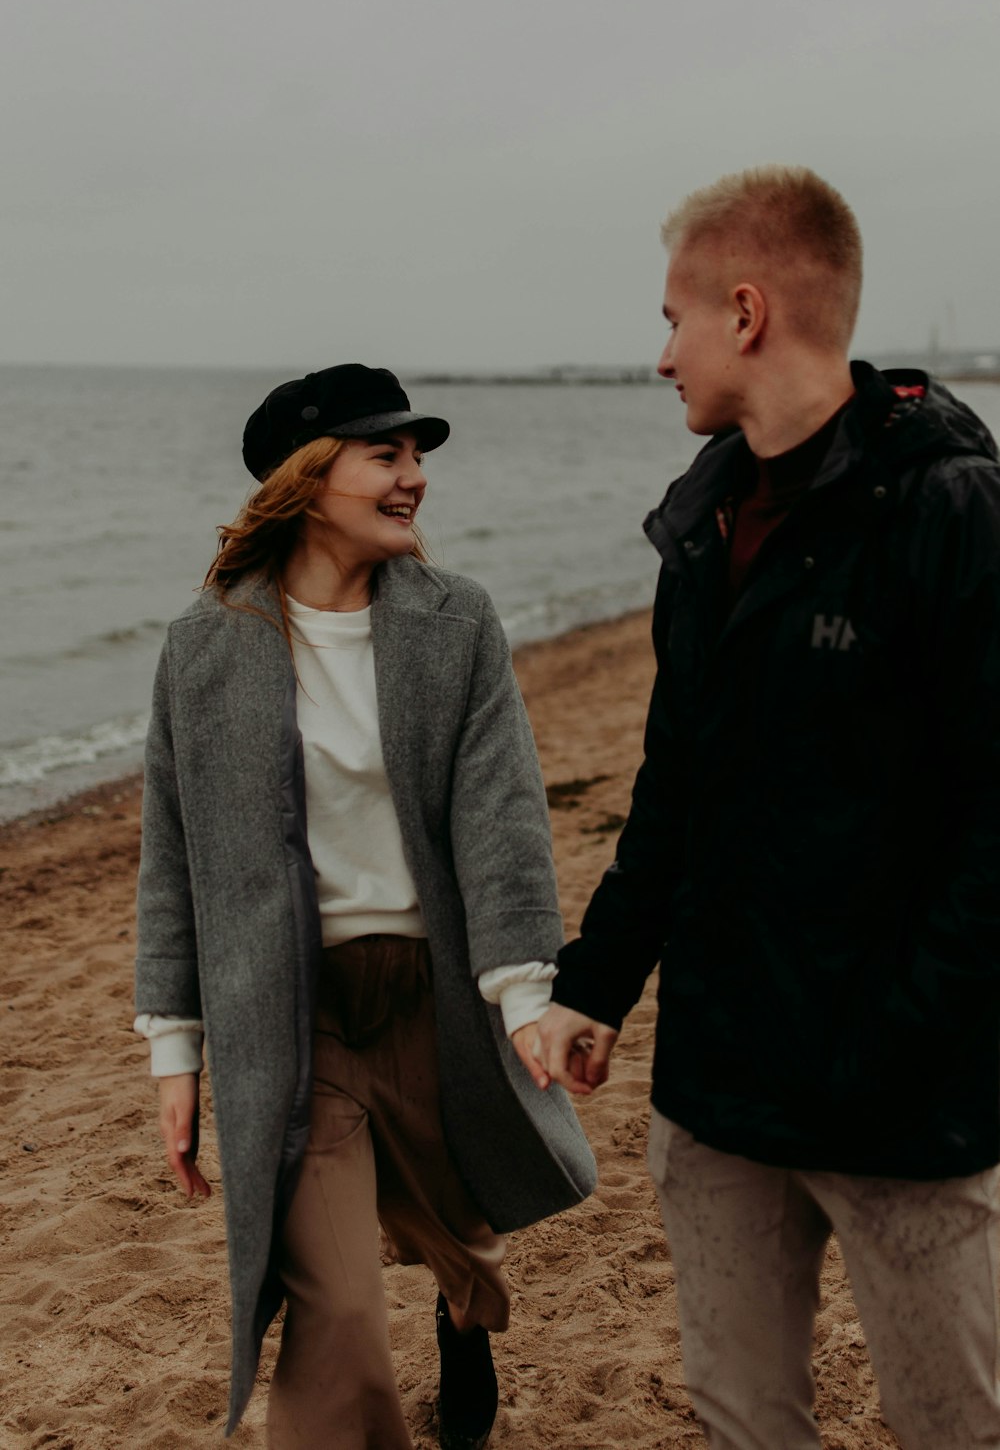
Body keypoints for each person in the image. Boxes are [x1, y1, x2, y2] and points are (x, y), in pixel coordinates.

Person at [533, 166, 1000, 1449]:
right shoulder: (701, 523)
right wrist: (597, 980)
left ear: (745, 311)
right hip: (719, 1087)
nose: (661, 354)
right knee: (743, 1420)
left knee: (952, 1424)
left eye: (672, 318)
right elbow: (676, 784)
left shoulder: (950, 509)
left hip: (901, 1100)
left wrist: (906, 1032)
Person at [134, 362, 596, 1449]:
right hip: (293, 1027)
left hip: (437, 1002)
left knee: (469, 1243)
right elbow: (172, 862)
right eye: (386, 453)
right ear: (307, 478)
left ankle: (464, 1323)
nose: (414, 477)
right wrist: (174, 1052)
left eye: (417, 455)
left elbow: (503, 816)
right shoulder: (204, 648)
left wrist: (524, 990)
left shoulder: (456, 623)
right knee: (335, 1315)